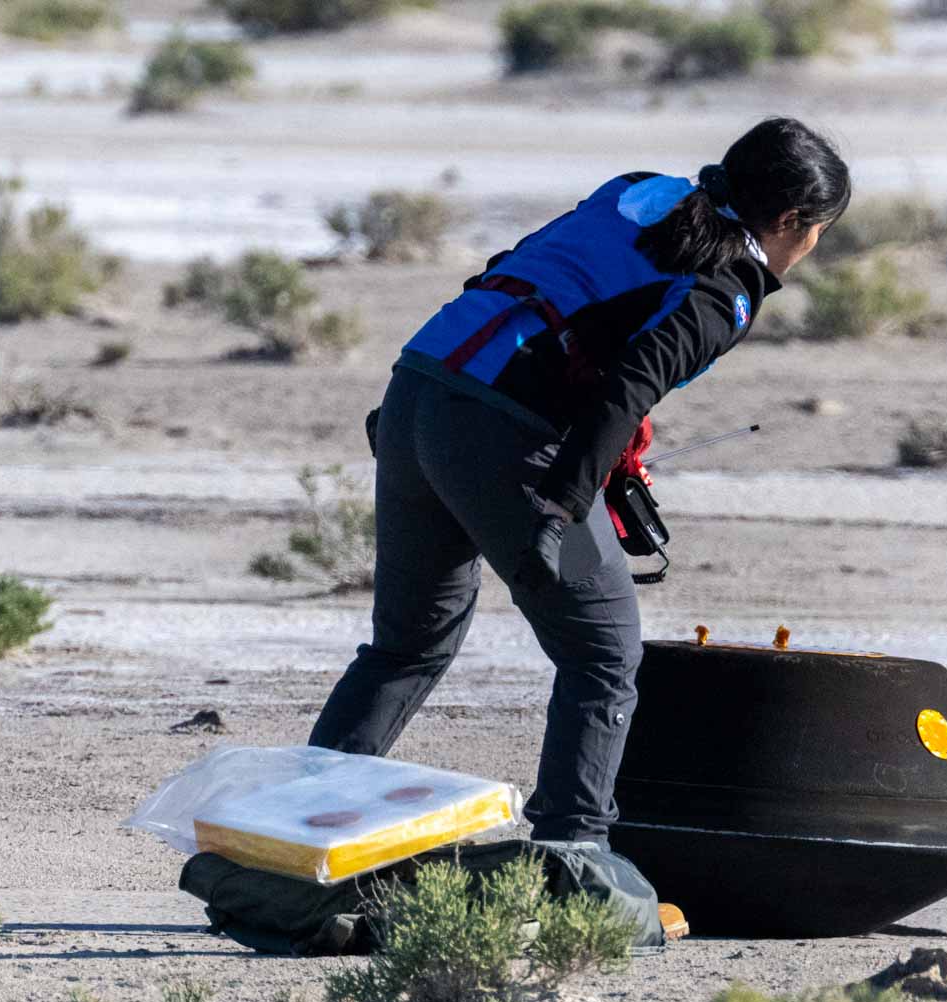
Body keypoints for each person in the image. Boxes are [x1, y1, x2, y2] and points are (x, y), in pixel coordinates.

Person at [308, 117, 851, 849]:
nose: (815, 246)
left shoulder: (638, 191)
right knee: (603, 654)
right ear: (792, 221)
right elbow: (632, 383)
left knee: (405, 647)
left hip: (420, 386)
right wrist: (562, 504)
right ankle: (573, 853)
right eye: (819, 230)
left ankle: (293, 833)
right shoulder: (729, 290)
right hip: (499, 428)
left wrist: (424, 410)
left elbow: (513, 271)